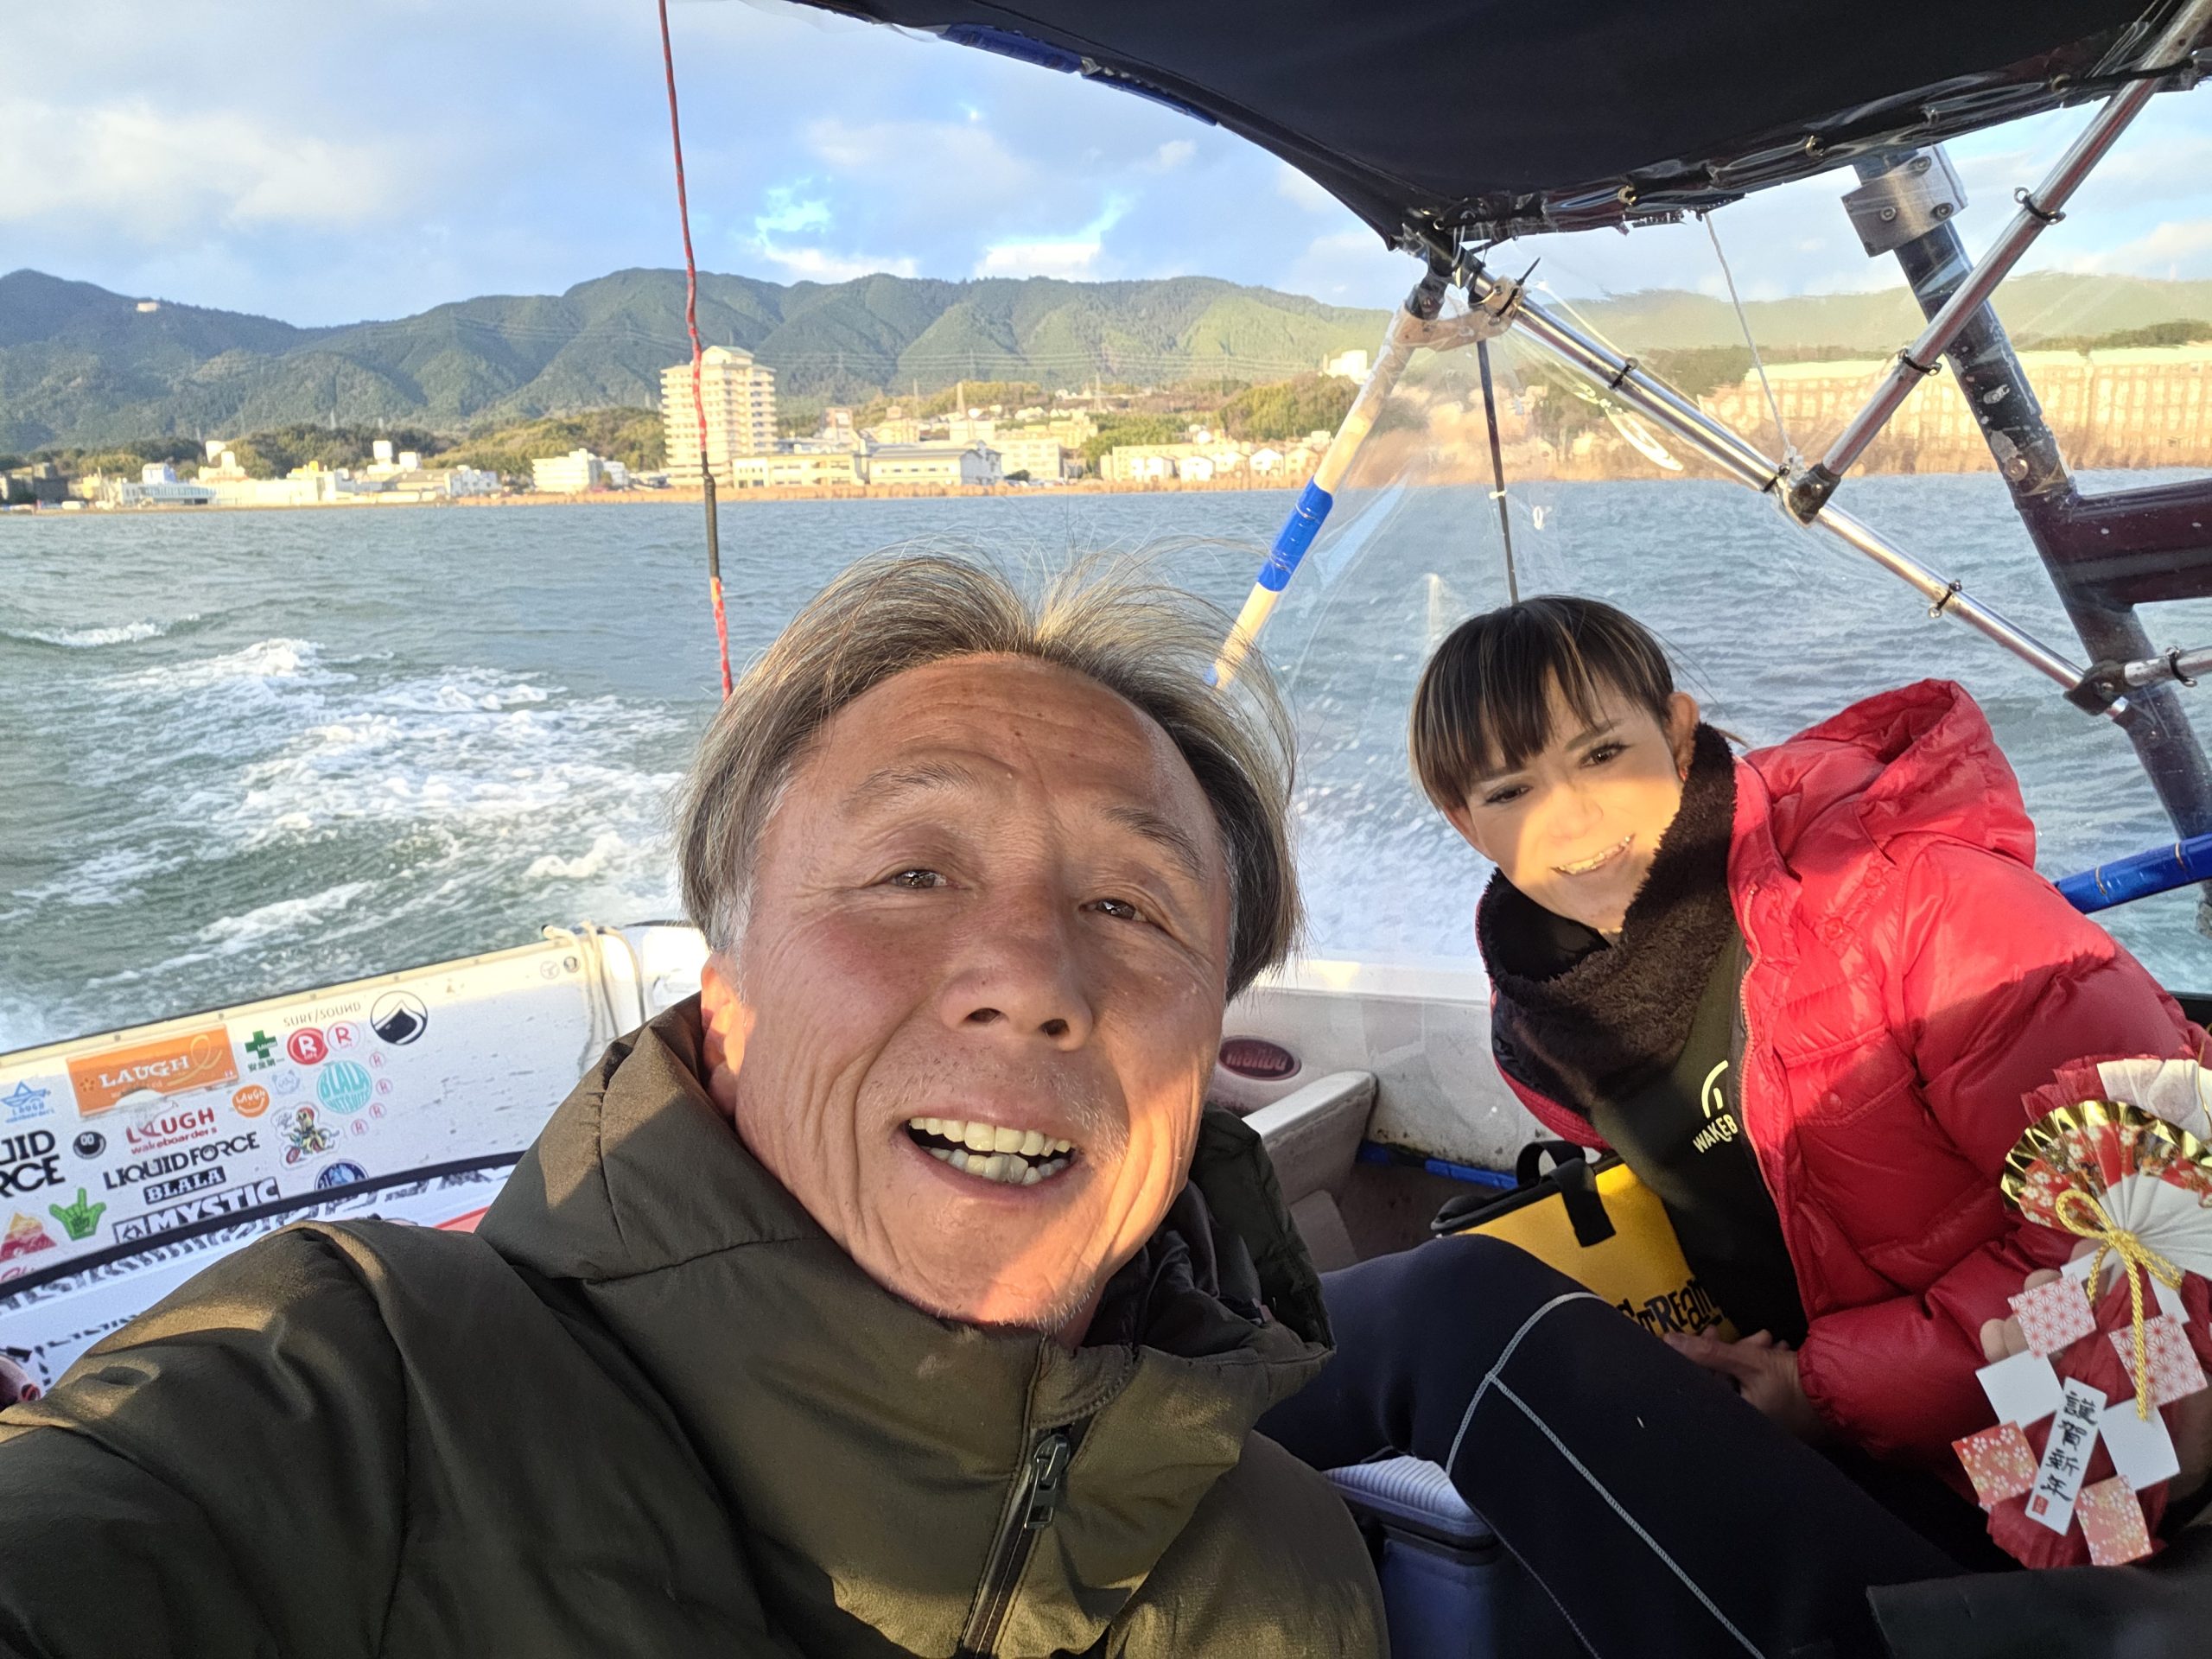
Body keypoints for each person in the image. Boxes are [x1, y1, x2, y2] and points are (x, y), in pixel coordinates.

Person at [0, 555, 1387, 1658]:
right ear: (724, 1010)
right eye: (913, 873)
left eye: (1130, 905)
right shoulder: (346, 1396)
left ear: (1206, 1048)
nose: (1031, 979)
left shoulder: (1279, 1571)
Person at [1262, 594, 2209, 1656]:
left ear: (1678, 733)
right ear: (1461, 821)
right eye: (1510, 789)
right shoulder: (1548, 1027)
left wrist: (1826, 1388)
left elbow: (2164, 1223)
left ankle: (1140, 1413)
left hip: (2070, 1492)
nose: (1570, 817)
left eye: (1603, 754)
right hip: (1863, 1444)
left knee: (1446, 1313)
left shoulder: (1920, 908)